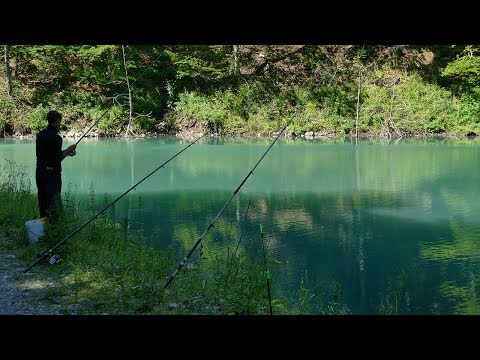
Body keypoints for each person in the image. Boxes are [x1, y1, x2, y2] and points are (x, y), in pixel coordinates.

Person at [36, 110, 77, 221]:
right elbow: (57, 159)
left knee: (43, 200)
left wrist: (65, 152)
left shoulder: (40, 135)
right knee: (54, 202)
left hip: (40, 172)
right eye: (59, 121)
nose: (60, 124)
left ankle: (43, 225)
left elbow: (48, 155)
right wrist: (69, 150)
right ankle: (55, 230)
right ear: (56, 121)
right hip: (51, 174)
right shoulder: (56, 138)